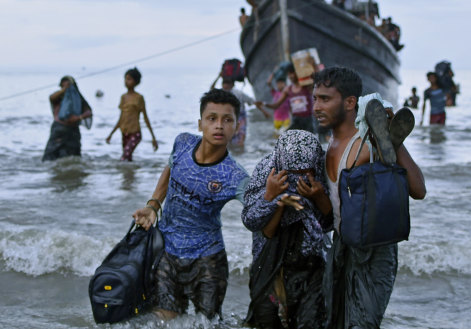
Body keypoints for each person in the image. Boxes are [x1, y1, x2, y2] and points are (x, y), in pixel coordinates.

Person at [312, 67, 426, 328]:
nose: (317, 106)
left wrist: (393, 145)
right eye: (315, 98)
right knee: (335, 320)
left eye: (325, 99)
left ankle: (392, 145)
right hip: (342, 244)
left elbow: (419, 190)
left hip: (375, 249)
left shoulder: (368, 143)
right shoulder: (330, 144)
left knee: (362, 324)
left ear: (350, 102)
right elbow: (336, 212)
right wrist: (317, 195)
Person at [132, 89, 250, 320]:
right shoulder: (183, 143)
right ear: (200, 123)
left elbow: (259, 210)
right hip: (167, 252)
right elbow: (171, 168)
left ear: (236, 127)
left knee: (208, 324)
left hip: (208, 261)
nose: (219, 126)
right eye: (212, 118)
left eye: (227, 120)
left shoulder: (236, 177)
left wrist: (275, 197)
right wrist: (153, 205)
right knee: (165, 320)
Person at [241, 130, 332, 329]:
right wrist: (271, 197)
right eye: (293, 173)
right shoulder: (267, 171)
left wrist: (319, 198)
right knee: (267, 319)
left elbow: (331, 223)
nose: (298, 179)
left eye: (305, 173)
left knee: (311, 321)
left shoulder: (321, 173)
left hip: (310, 261)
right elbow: (251, 221)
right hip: (271, 261)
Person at [106, 68, 158, 161]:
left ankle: (123, 172)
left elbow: (145, 118)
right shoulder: (123, 97)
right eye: (125, 79)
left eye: (129, 79)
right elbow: (121, 118)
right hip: (124, 132)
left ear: (136, 81)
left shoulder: (139, 98)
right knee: (128, 158)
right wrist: (111, 134)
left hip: (135, 133)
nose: (126, 81)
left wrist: (153, 138)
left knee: (125, 156)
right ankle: (129, 175)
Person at [42, 76, 92, 161]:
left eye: (69, 84)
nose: (67, 86)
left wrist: (78, 117)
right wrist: (64, 90)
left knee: (73, 156)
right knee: (51, 156)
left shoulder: (78, 98)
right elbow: (51, 98)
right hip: (59, 129)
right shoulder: (58, 97)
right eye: (64, 84)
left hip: (73, 131)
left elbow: (89, 112)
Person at [211, 74, 268, 147]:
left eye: (227, 84)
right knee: (228, 139)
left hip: (239, 117)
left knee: (239, 139)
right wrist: (218, 76)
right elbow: (212, 89)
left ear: (232, 85)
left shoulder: (238, 93)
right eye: (224, 83)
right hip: (228, 118)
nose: (226, 86)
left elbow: (253, 102)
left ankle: (239, 155)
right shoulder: (221, 93)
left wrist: (264, 112)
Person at [265, 64, 314, 133]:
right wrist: (264, 104)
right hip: (296, 120)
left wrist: (312, 65)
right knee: (286, 136)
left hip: (308, 120)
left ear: (298, 73)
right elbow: (276, 105)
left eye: (292, 73)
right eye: (289, 74)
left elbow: (315, 81)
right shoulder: (288, 89)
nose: (291, 76)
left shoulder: (306, 86)